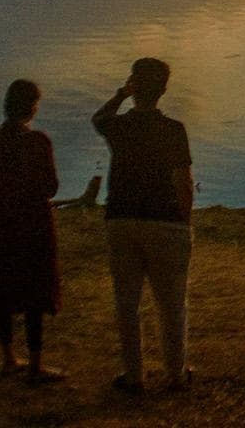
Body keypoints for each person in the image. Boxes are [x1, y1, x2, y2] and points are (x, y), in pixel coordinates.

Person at [92, 57, 193, 394]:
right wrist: (184, 221)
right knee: (172, 303)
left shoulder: (119, 127)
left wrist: (121, 94)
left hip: (121, 220)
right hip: (165, 222)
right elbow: (184, 182)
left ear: (135, 86)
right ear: (164, 89)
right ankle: (176, 374)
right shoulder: (174, 130)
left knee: (127, 303)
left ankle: (133, 376)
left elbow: (99, 118)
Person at [0, 78, 62, 383]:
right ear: (31, 107)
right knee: (35, 290)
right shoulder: (38, 142)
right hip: (34, 220)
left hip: (4, 218)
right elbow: (51, 187)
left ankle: (8, 358)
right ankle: (36, 364)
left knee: (3, 284)